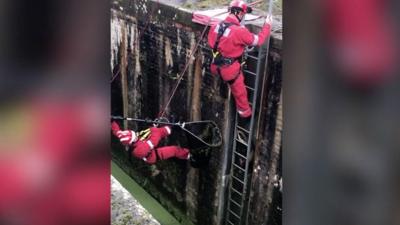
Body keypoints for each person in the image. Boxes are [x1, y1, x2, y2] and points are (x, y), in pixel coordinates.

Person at [207, 0, 273, 118]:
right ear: (240, 14)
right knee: (240, 93)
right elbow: (258, 40)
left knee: (227, 79)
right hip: (229, 71)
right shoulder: (240, 32)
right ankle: (245, 115)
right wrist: (267, 25)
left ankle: (224, 89)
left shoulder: (215, 25)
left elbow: (213, 42)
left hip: (215, 65)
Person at [111, 121, 190, 164]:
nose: (135, 135)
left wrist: (112, 121)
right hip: (153, 155)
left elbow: (116, 131)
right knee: (174, 150)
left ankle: (172, 127)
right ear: (131, 141)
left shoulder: (122, 136)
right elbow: (154, 141)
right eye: (134, 136)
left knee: (156, 131)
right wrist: (153, 128)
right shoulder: (138, 150)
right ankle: (189, 155)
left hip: (145, 143)